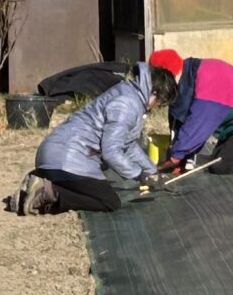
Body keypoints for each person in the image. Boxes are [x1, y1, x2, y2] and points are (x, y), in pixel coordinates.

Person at [16, 61, 173, 214]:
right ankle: (50, 192)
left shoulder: (127, 93)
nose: (157, 107)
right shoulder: (128, 105)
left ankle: (32, 188)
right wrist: (139, 174)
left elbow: (128, 144)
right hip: (67, 159)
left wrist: (152, 172)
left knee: (95, 190)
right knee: (108, 201)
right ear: (154, 93)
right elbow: (111, 152)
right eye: (160, 103)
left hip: (55, 155)